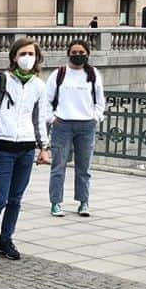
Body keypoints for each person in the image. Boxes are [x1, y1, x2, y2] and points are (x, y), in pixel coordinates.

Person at [0, 37, 52, 261]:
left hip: (26, 147)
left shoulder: (39, 85)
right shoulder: (2, 80)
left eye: (31, 54)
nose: (27, 58)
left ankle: (6, 239)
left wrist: (43, 147)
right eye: (23, 54)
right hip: (3, 147)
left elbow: (40, 117)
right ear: (14, 57)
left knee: (16, 199)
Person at [46, 39, 105, 217]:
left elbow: (100, 101)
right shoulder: (59, 74)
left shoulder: (93, 74)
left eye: (82, 53)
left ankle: (83, 202)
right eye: (75, 52)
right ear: (68, 53)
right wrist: (51, 118)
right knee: (58, 166)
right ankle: (56, 202)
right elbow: (47, 100)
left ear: (87, 54)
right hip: (62, 124)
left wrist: (96, 117)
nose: (78, 56)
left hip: (86, 126)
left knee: (84, 168)